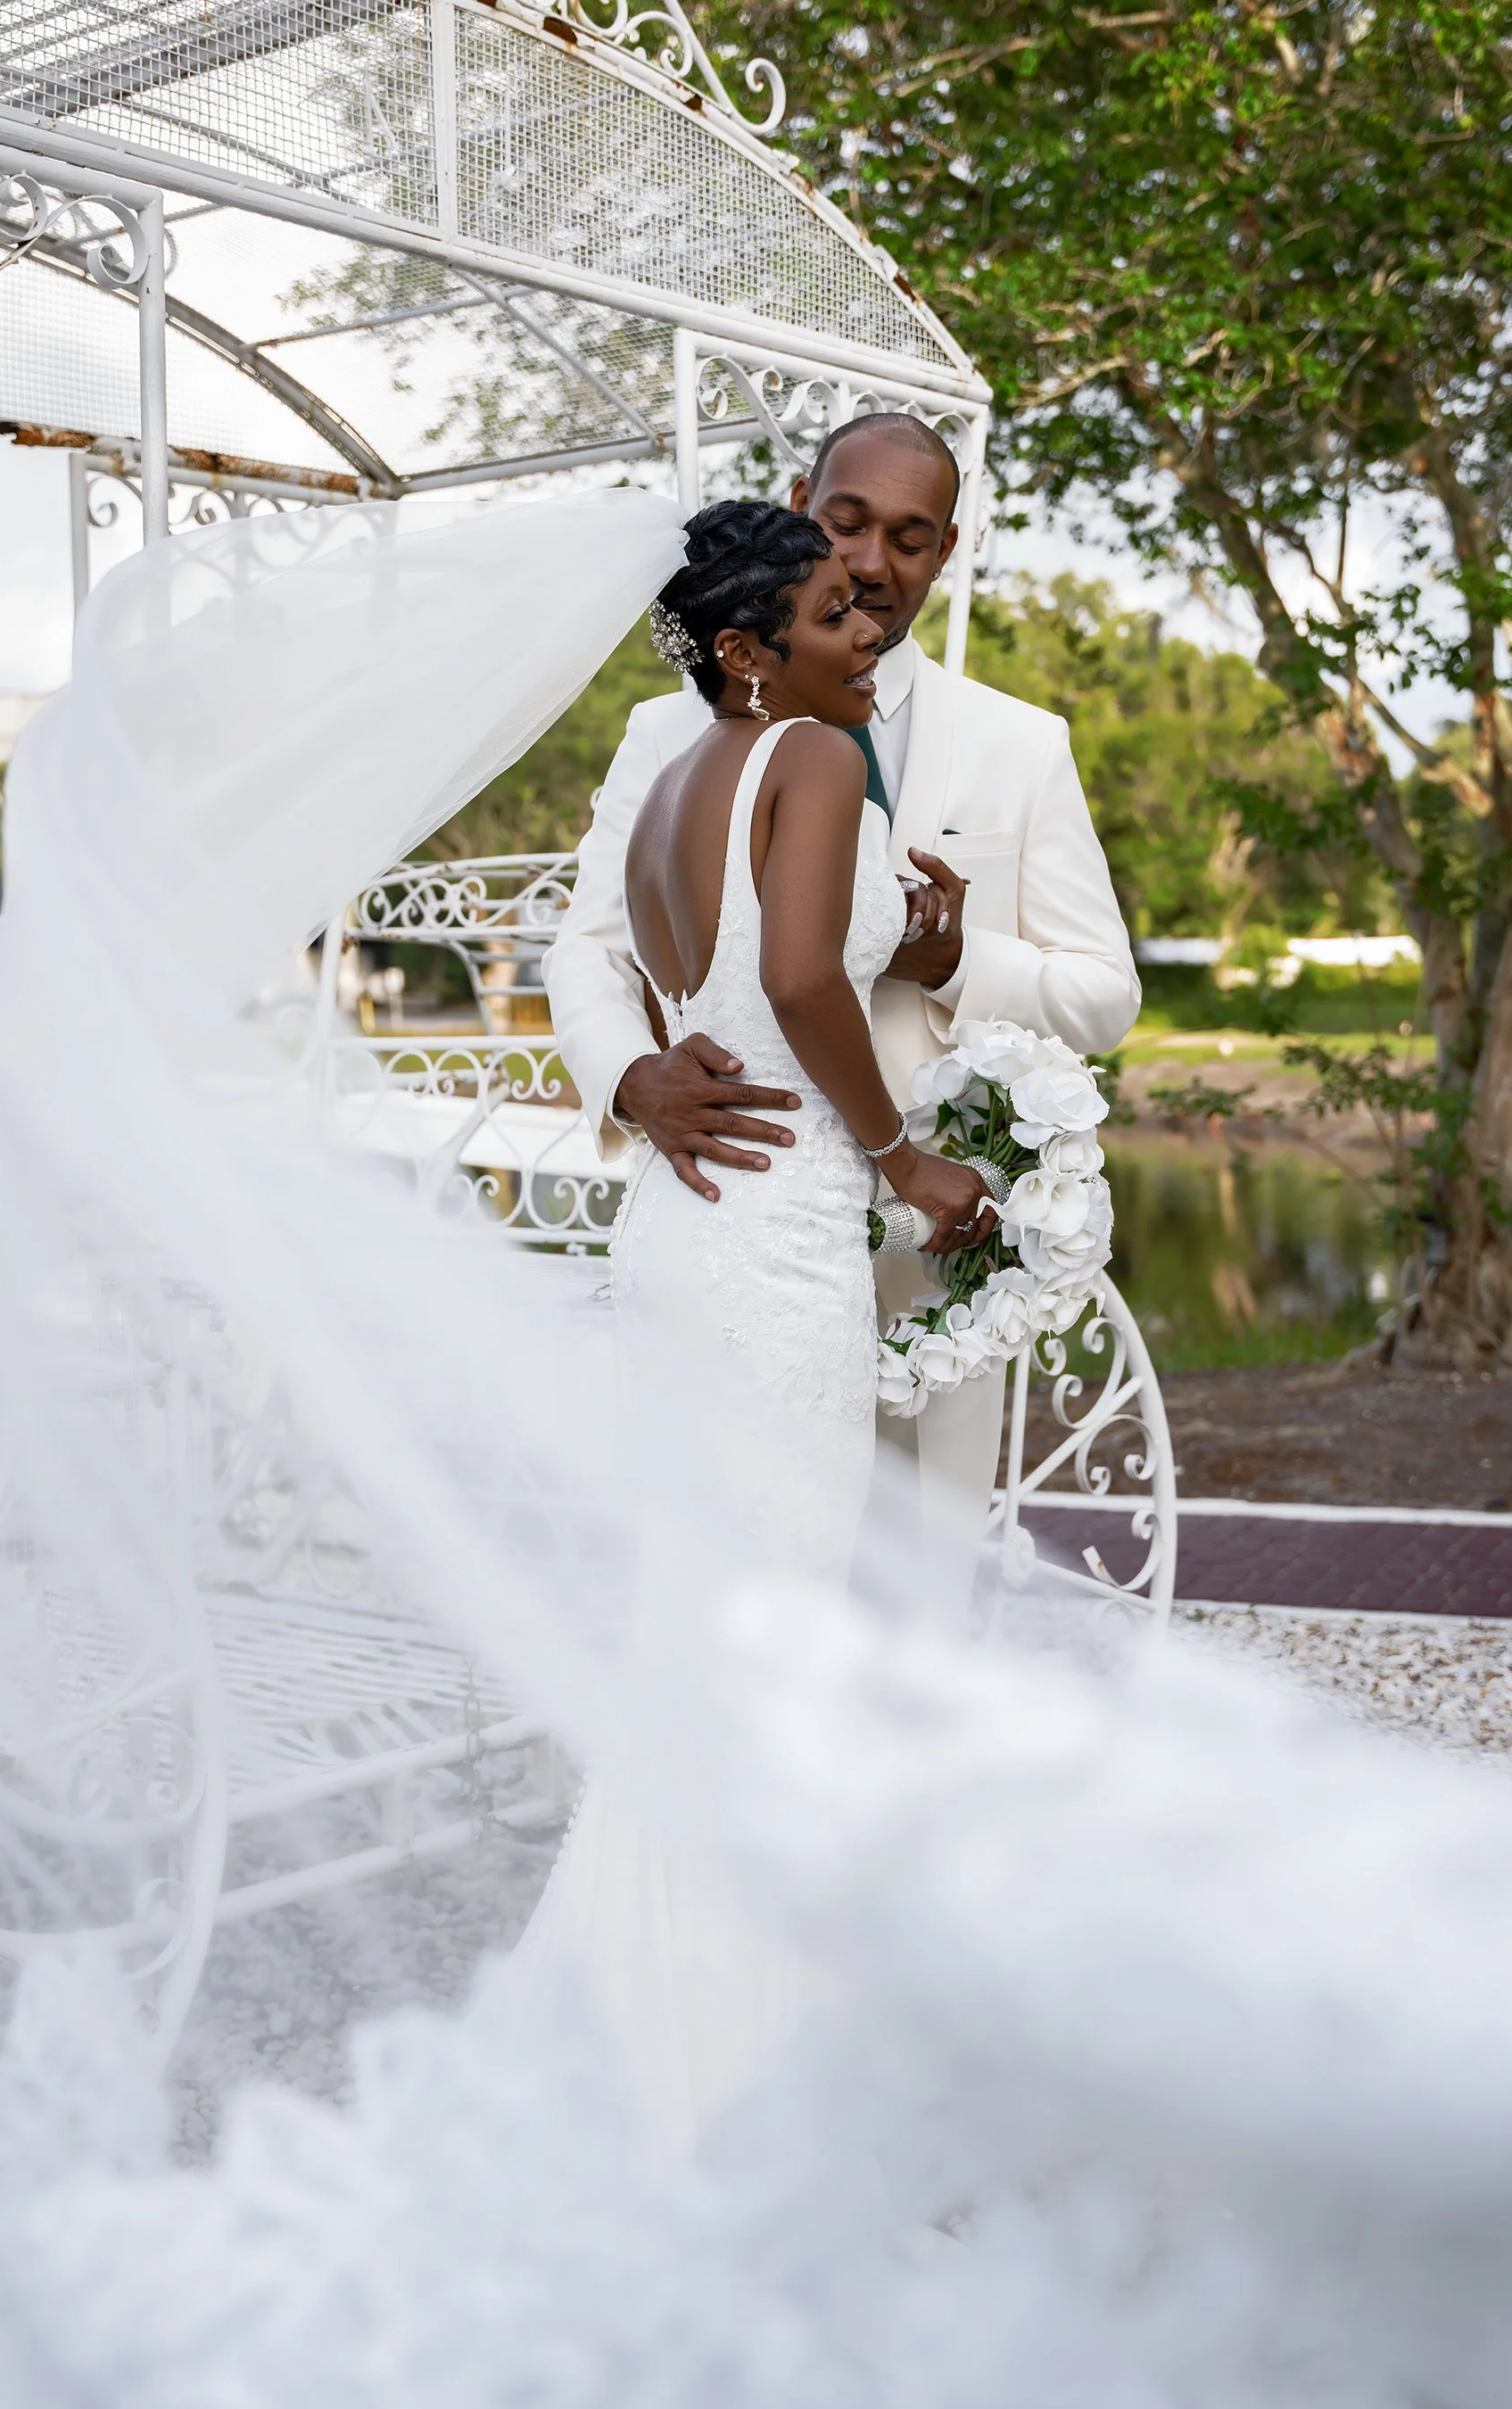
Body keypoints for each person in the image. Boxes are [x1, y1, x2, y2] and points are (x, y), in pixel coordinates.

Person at [517, 500, 993, 2148]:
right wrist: (905, 1158)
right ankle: (733, 2069)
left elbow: (712, 983)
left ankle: (651, 2023)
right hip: (778, 1241)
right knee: (768, 1647)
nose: (872, 632)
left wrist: (916, 931)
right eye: (837, 611)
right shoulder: (808, 763)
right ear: (749, 651)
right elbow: (797, 984)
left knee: (693, 1639)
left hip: (679, 1232)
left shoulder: (674, 788)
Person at [546, 414, 1140, 1582]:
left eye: (911, 540)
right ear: (799, 500)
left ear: (949, 551)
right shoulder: (667, 726)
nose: (874, 564)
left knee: (909, 1586)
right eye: (848, 524)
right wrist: (634, 1080)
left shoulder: (1023, 747)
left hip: (935, 1260)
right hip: (742, 1197)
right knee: (741, 1559)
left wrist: (960, 964)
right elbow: (589, 951)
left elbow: (1105, 997)